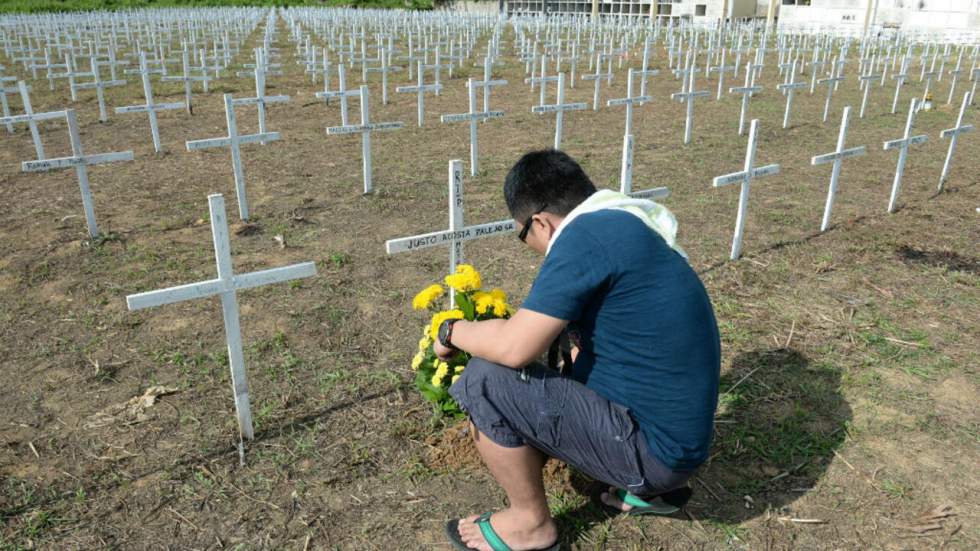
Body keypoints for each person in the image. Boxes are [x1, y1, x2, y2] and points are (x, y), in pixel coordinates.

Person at [437, 150, 721, 551]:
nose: (531, 246)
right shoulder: (626, 223)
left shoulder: (585, 238)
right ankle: (641, 489)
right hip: (679, 443)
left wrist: (450, 329)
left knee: (485, 378)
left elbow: (515, 348)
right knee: (568, 360)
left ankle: (529, 525)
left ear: (541, 222)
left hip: (656, 452)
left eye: (524, 236)